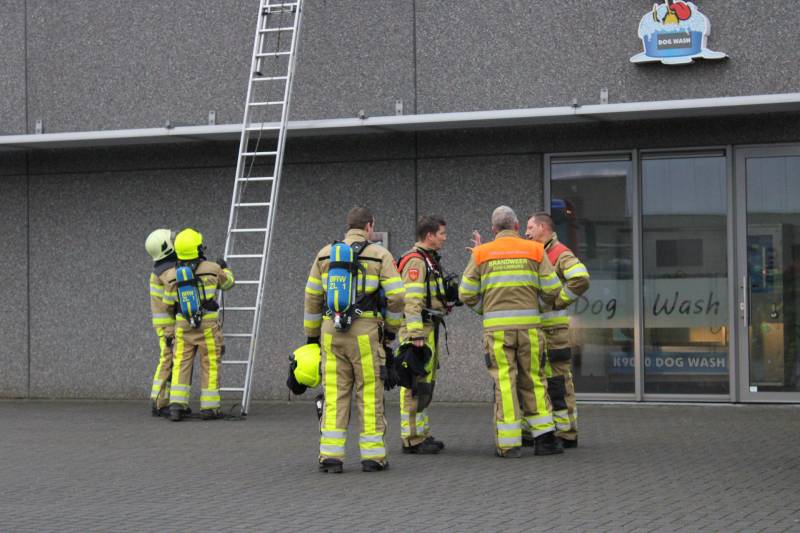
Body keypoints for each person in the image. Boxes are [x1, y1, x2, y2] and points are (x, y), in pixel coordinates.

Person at [303, 207, 405, 473]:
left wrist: (313, 337)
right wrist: (391, 332)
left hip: (330, 332)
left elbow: (312, 298)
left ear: (348, 227)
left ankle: (330, 457)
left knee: (335, 393)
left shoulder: (324, 254)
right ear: (370, 226)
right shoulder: (379, 255)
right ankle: (372, 456)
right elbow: (397, 298)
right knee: (369, 392)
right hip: (365, 333)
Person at [459, 206, 564, 457]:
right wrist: (535, 307)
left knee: (505, 383)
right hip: (529, 329)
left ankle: (509, 444)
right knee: (534, 380)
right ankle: (545, 441)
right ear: (517, 227)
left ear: (494, 229)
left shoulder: (481, 253)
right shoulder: (536, 250)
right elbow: (552, 288)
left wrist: (485, 309)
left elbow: (465, 293)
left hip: (497, 331)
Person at [526, 213, 590, 448]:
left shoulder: (559, 253)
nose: (527, 232)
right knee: (542, 381)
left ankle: (566, 433)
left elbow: (580, 279)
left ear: (543, 227)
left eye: (530, 227)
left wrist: (558, 301)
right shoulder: (536, 251)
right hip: (540, 331)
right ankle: (552, 429)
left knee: (558, 382)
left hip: (554, 332)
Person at [396, 215, 458, 454]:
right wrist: (415, 335)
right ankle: (411, 438)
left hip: (428, 328)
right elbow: (411, 300)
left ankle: (420, 433)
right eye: (441, 233)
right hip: (419, 332)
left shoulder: (428, 259)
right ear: (429, 235)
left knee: (424, 385)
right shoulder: (416, 262)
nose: (444, 237)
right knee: (414, 384)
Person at [159, 228, 235, 421]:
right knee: (210, 362)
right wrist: (224, 268)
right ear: (198, 248)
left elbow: (168, 304)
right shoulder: (212, 268)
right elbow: (228, 284)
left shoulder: (171, 275)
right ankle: (209, 408)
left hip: (183, 324)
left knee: (181, 363)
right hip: (208, 324)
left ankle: (177, 406)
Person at [145, 228, 177, 417]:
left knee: (172, 361)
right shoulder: (166, 272)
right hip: (168, 326)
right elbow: (171, 300)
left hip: (167, 325)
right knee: (167, 361)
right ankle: (158, 402)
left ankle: (166, 400)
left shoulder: (161, 268)